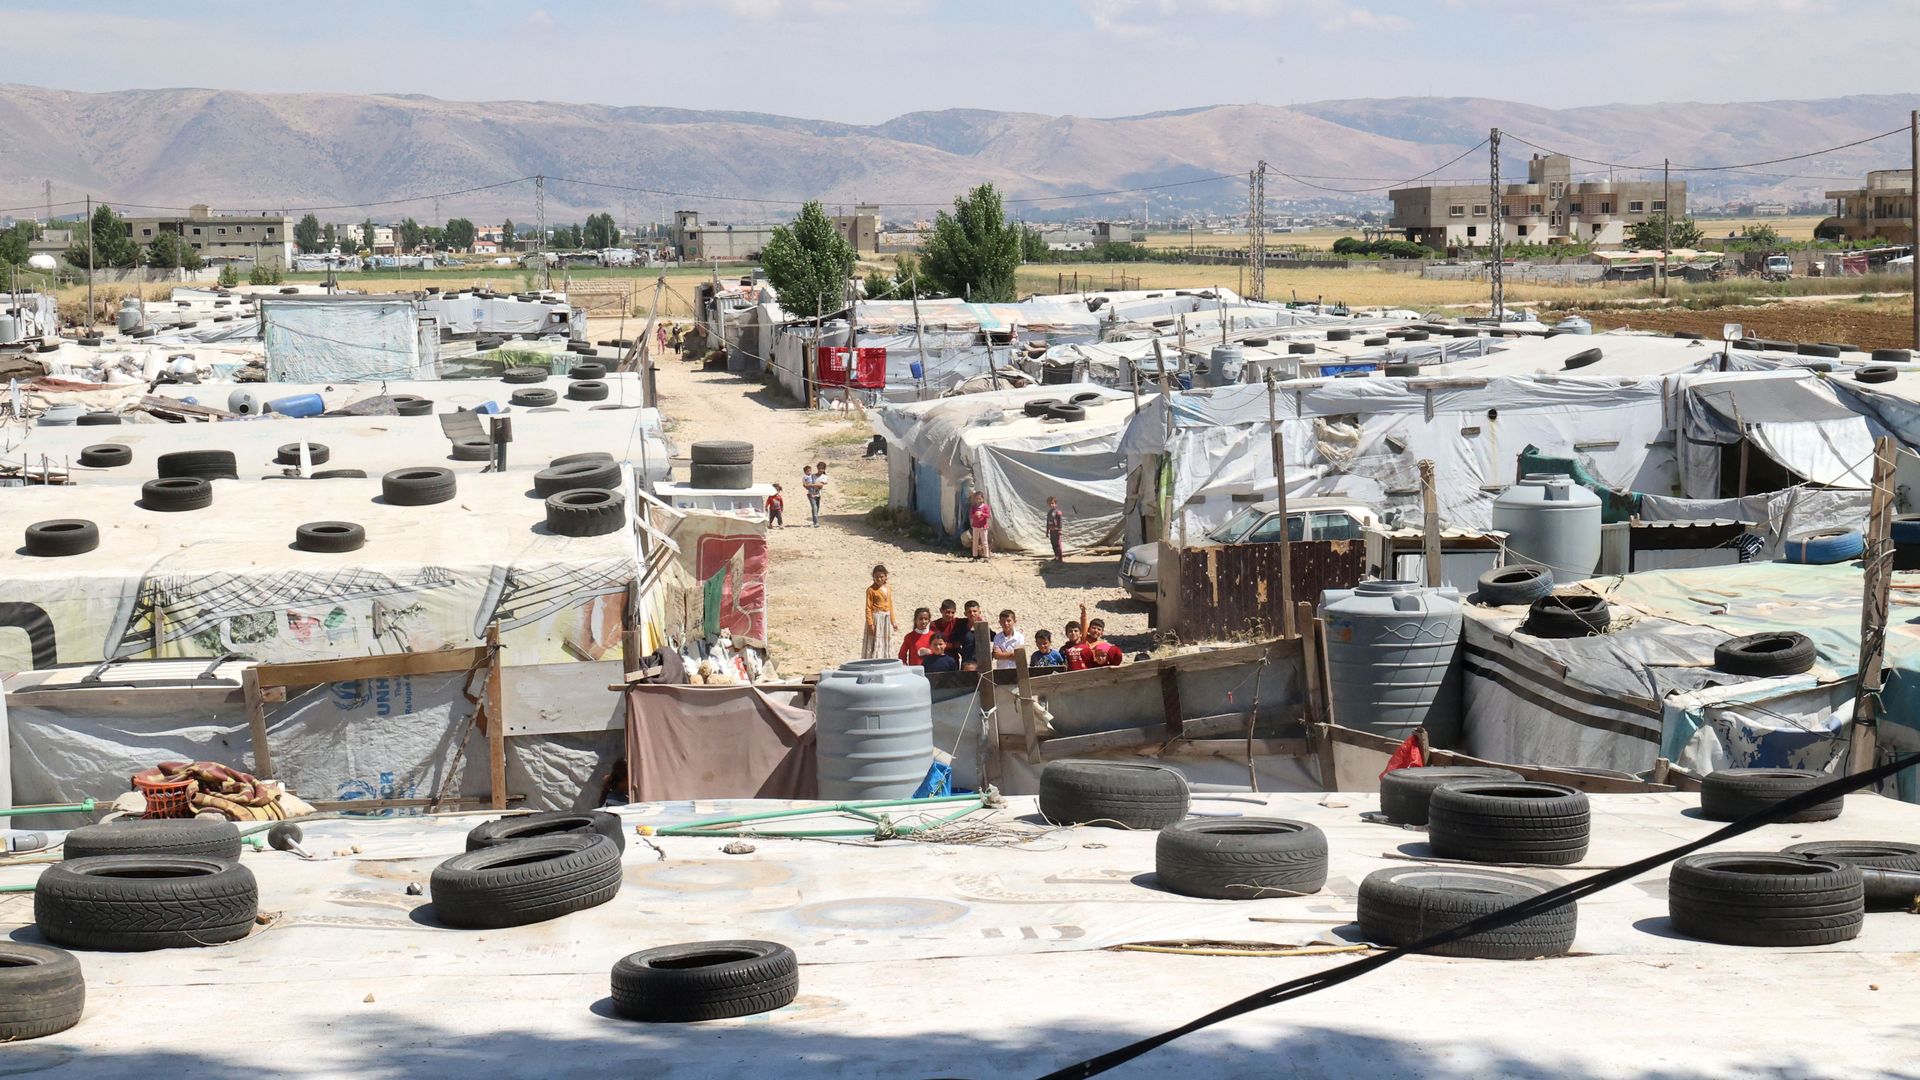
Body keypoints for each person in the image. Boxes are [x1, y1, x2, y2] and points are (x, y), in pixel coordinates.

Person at [862, 564, 896, 660]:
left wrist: (893, 622)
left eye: (881, 577)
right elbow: (868, 607)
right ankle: (875, 659)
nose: (879, 579)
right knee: (875, 640)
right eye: (877, 577)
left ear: (885, 577)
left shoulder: (888, 588)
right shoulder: (871, 590)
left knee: (886, 640)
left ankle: (886, 658)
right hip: (876, 618)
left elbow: (890, 605)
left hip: (886, 618)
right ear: (873, 577)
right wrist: (870, 623)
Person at [967, 491, 992, 561]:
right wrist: (975, 514)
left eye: (979, 498)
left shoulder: (985, 507)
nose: (978, 500)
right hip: (975, 527)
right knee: (975, 541)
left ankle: (986, 556)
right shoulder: (974, 507)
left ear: (983, 499)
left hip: (983, 527)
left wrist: (982, 514)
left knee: (984, 542)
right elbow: (971, 516)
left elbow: (988, 515)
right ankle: (974, 556)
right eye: (976, 499)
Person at [1046, 496, 1066, 564]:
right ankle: (1056, 556)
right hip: (1051, 531)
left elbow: (1060, 521)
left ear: (1055, 504)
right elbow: (1047, 522)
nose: (1051, 505)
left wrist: (1060, 530)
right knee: (1053, 544)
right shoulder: (1049, 512)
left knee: (1058, 544)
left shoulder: (1058, 512)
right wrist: (1047, 531)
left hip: (1056, 531)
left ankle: (1060, 558)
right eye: (1049, 504)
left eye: (1052, 503)